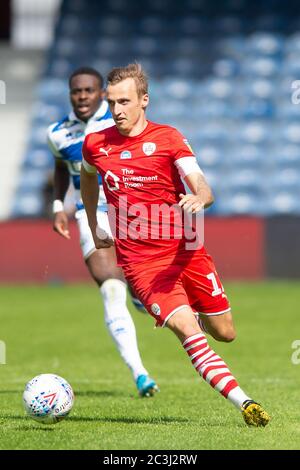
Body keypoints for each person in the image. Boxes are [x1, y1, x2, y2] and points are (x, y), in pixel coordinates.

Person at [80, 63, 270, 427]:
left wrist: (200, 198)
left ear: (144, 100)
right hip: (143, 266)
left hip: (187, 253)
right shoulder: (96, 144)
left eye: (124, 101)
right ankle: (246, 403)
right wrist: (94, 223)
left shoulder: (168, 138)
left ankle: (191, 313)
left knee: (226, 332)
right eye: (111, 102)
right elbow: (88, 180)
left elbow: (200, 183)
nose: (117, 110)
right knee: (188, 331)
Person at [47, 66, 158, 397]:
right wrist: (57, 207)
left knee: (140, 287)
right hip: (90, 213)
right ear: (70, 94)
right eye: (76, 91)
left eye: (89, 91)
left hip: (131, 211)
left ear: (101, 94)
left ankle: (140, 294)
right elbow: (61, 167)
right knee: (111, 287)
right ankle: (139, 373)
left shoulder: (119, 121)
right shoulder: (57, 133)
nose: (82, 97)